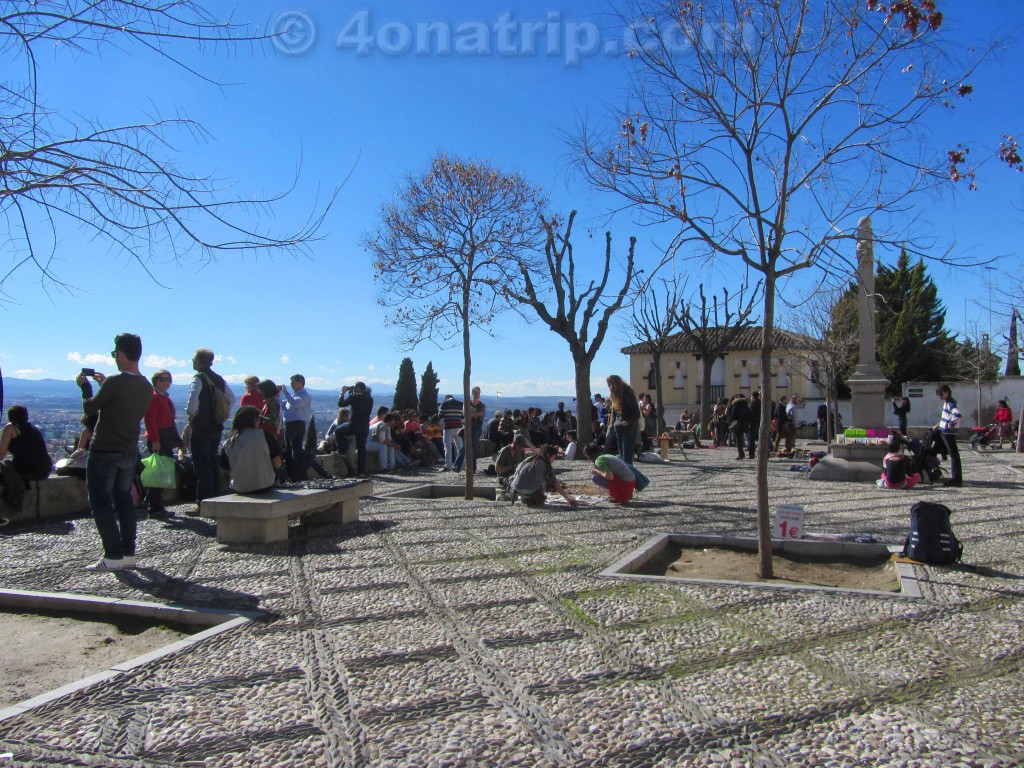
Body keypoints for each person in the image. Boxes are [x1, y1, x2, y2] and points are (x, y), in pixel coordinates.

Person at [77, 333, 154, 571]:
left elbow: (90, 408)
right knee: (124, 502)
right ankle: (128, 554)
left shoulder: (114, 382)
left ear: (120, 353)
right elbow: (123, 404)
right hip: (129, 451)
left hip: (104, 451)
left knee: (101, 503)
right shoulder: (146, 386)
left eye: (114, 354)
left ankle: (112, 555)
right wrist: (105, 386)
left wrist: (86, 387)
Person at [185, 347, 235, 504]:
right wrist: (222, 413)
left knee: (201, 465)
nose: (193, 361)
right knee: (213, 462)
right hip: (216, 426)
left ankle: (203, 501)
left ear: (199, 361)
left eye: (194, 359)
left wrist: (192, 415)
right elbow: (232, 398)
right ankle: (215, 498)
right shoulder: (219, 379)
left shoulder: (199, 378)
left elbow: (192, 402)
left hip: (201, 427)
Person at [0, 404, 54, 523]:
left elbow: (1, 453)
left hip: (27, 470)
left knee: (4, 466)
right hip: (43, 470)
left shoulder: (11, 427)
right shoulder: (33, 429)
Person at [142, 369, 181, 519]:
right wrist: (155, 439)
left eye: (168, 379)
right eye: (163, 379)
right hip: (159, 439)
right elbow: (150, 420)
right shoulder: (154, 397)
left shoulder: (163, 397)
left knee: (161, 472)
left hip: (164, 438)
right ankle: (155, 506)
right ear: (156, 381)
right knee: (159, 474)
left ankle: (152, 503)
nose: (166, 382)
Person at [219, 406, 283, 493]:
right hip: (265, 485)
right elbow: (278, 463)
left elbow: (227, 470)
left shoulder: (228, 442)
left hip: (239, 488)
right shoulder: (265, 435)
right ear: (255, 420)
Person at [280, 374, 320, 481]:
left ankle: (309, 460)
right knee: (290, 452)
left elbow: (295, 404)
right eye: (291, 382)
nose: (291, 384)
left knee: (296, 451)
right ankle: (294, 476)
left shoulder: (305, 396)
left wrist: (286, 393)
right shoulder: (292, 396)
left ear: (300, 382)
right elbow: (282, 405)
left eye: (294, 382)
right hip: (288, 425)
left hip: (297, 425)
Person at [509, 444, 577, 507]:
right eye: (554, 457)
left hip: (516, 488)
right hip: (529, 490)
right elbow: (556, 485)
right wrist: (568, 499)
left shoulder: (530, 459)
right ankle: (533, 499)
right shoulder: (546, 464)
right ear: (548, 455)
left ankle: (527, 499)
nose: (554, 460)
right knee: (543, 485)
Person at [337, 382, 373, 476]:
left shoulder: (355, 397)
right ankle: (361, 470)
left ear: (358, 388)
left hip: (354, 425)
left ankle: (341, 450)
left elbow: (341, 403)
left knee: (338, 430)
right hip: (365, 426)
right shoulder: (370, 399)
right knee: (361, 448)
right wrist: (352, 392)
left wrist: (342, 393)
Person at [606, 374, 641, 465]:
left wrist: (628, 421)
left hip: (628, 428)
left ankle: (630, 477)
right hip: (619, 428)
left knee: (627, 457)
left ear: (615, 384)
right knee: (622, 456)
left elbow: (636, 413)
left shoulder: (628, 394)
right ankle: (625, 476)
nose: (609, 388)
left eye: (610, 385)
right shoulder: (616, 396)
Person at [934, 384, 963, 487]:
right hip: (944, 431)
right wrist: (938, 425)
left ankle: (956, 478)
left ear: (947, 392)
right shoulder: (947, 402)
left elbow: (957, 415)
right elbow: (947, 416)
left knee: (954, 455)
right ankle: (955, 478)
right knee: (951, 454)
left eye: (941, 394)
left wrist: (951, 424)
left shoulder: (950, 403)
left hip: (948, 433)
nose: (940, 397)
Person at [455, 386, 485, 472]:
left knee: (474, 447)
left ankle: (473, 468)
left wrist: (472, 413)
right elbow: (465, 414)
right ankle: (457, 465)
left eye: (478, 393)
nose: (476, 394)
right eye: (475, 392)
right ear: (472, 393)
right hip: (467, 427)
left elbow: (482, 414)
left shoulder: (482, 404)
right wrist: (475, 414)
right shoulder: (467, 403)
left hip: (477, 427)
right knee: (465, 446)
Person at [438, 394, 464, 471]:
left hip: (448, 427)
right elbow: (463, 416)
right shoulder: (460, 403)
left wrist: (442, 425)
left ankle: (448, 466)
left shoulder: (444, 403)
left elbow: (440, 416)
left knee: (447, 447)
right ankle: (462, 466)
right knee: (460, 447)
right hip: (459, 427)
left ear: (446, 398)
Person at [726, 393, 751, 459]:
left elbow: (733, 416)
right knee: (740, 439)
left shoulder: (736, 406)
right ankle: (741, 453)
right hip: (744, 424)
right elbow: (749, 416)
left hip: (737, 424)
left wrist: (729, 422)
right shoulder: (746, 407)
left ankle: (740, 454)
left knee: (738, 440)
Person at [748, 391, 761, 458]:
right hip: (759, 422)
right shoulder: (761, 402)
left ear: (752, 396)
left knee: (751, 439)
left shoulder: (753, 403)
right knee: (760, 438)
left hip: (753, 422)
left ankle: (751, 454)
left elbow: (750, 413)